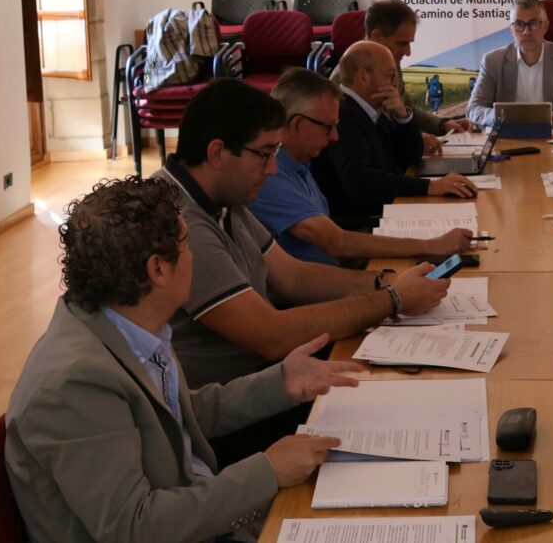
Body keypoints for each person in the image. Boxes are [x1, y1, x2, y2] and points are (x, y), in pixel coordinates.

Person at [5, 176, 363, 543]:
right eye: (187, 243)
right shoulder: (74, 384)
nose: (194, 255)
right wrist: (268, 472)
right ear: (158, 269)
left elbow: (173, 418)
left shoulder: (128, 324)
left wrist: (281, 382)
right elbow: (133, 527)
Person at [152, 78, 448, 463]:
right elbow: (272, 335)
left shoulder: (222, 197)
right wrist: (392, 300)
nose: (273, 168)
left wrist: (384, 281)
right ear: (217, 152)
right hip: (228, 412)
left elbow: (294, 276)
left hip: (265, 381)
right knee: (398, 420)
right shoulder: (180, 222)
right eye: (265, 154)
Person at [250, 68, 473, 264]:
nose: (335, 136)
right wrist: (431, 245)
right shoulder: (271, 175)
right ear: (298, 124)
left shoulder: (300, 162)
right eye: (328, 127)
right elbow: (336, 243)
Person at [313, 41, 477, 224]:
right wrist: (429, 186)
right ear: (363, 77)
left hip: (382, 208)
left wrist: (402, 115)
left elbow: (410, 156)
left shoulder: (371, 109)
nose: (395, 84)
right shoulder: (344, 115)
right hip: (361, 220)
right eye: (390, 76)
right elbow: (358, 181)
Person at [331, 0, 474, 156]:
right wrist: (414, 138)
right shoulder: (344, 80)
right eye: (402, 43)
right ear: (376, 36)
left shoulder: (390, 63)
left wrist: (442, 124)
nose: (408, 52)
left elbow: (405, 106)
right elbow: (360, 143)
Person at [466, 0, 553, 128]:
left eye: (533, 23)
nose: (526, 32)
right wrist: (502, 118)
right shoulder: (493, 61)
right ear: (511, 29)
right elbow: (474, 108)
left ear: (545, 26)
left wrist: (549, 119)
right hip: (507, 134)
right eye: (519, 24)